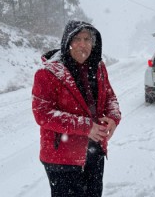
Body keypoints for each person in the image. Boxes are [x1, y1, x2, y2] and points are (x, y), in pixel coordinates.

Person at [32, 20, 121, 197]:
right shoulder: (47, 73)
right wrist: (85, 126)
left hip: (95, 152)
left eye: (87, 39)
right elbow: (42, 114)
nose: (83, 44)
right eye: (77, 39)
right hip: (62, 158)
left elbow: (110, 97)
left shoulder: (99, 67)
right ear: (67, 42)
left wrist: (113, 117)